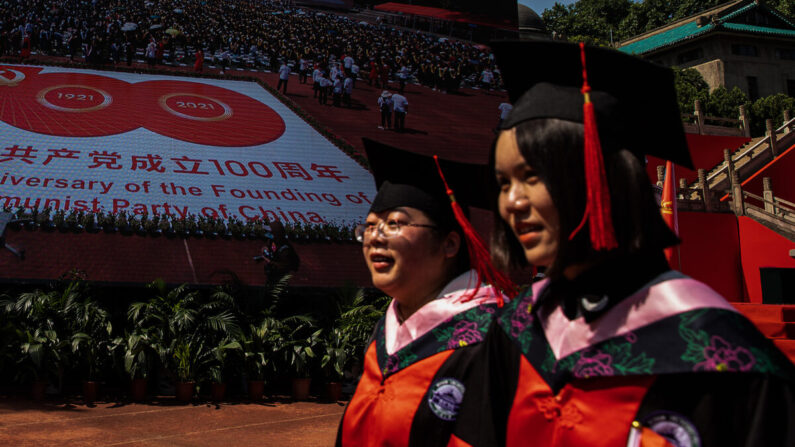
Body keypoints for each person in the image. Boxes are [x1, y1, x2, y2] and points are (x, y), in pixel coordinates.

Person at [456, 40, 795, 446]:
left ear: (602, 179)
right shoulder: (516, 330)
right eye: (503, 183)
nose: (512, 203)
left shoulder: (720, 351)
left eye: (532, 176)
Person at [336, 138, 515, 447]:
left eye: (394, 224)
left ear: (449, 244)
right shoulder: (387, 331)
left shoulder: (492, 337)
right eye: (368, 227)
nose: (374, 238)